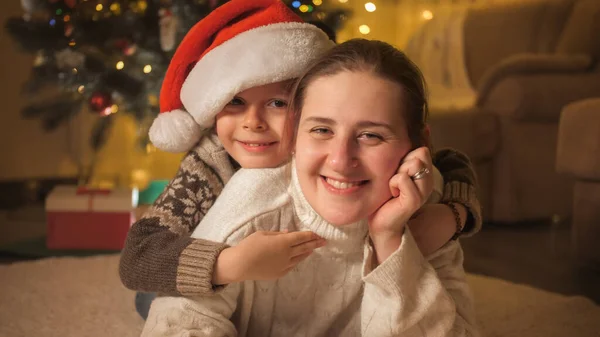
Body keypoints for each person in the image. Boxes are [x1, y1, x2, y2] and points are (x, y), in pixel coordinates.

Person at [119, 0, 481, 321]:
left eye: (277, 103)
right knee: (153, 301)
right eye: (235, 102)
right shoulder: (212, 163)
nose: (253, 123)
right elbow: (139, 256)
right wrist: (231, 263)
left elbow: (447, 163)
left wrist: (455, 213)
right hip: (202, 275)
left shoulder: (391, 165)